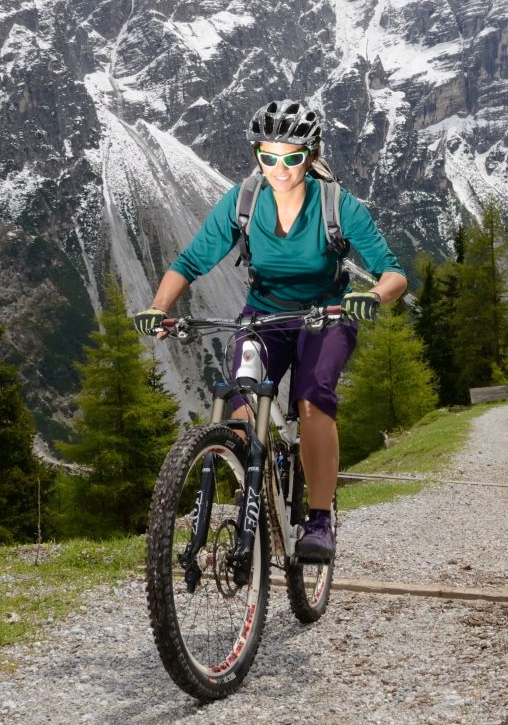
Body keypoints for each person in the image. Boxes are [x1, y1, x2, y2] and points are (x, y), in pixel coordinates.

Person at [133, 100, 408, 562]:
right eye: (269, 156)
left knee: (313, 396)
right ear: (257, 154)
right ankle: (254, 483)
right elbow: (189, 262)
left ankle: (319, 519)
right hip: (264, 314)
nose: (280, 168)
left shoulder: (339, 205)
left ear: (310, 154)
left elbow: (393, 273)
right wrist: (158, 307)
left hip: (328, 315)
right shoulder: (243, 202)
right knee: (241, 393)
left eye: (293, 157)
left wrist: (374, 295)